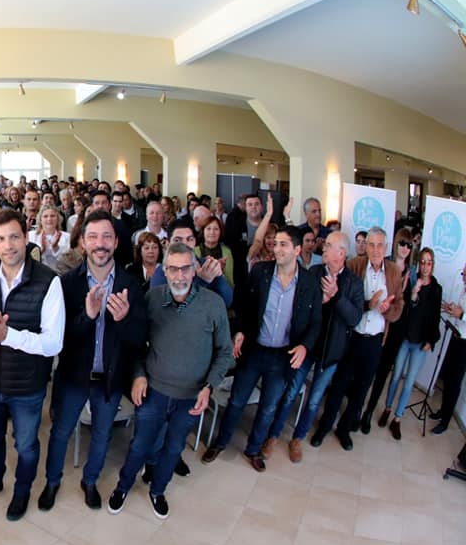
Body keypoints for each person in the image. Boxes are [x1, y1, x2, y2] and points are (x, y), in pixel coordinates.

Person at [106, 242, 233, 519]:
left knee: (174, 447)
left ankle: (158, 490)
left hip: (191, 396)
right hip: (154, 391)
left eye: (185, 268)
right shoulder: (152, 299)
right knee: (140, 444)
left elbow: (225, 352)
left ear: (195, 270)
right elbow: (136, 344)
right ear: (164, 270)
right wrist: (138, 375)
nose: (179, 276)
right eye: (172, 269)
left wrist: (210, 386)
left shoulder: (213, 304)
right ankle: (123, 486)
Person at [39, 211, 144, 512]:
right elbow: (59, 339)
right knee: (60, 431)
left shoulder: (131, 284)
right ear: (83, 242)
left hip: (110, 377)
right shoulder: (67, 284)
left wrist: (122, 320)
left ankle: (90, 481)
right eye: (93, 237)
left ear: (116, 242)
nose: (100, 244)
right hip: (73, 376)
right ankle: (52, 481)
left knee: (102, 434)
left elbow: (138, 338)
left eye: (107, 237)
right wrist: (88, 316)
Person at [0, 209, 66, 521]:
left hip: (27, 384)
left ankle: (22, 489)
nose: (8, 245)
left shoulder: (49, 282)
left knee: (25, 444)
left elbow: (53, 343)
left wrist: (7, 335)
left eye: (14, 237)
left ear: (26, 238)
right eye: (0, 239)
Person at [201, 226, 322, 472]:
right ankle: (221, 442)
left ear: (297, 250)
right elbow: (244, 305)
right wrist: (241, 331)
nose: (276, 248)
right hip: (255, 350)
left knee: (268, 407)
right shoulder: (261, 271)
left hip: (282, 355)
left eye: (283, 244)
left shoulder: (310, 282)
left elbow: (316, 322)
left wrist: (305, 346)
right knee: (236, 401)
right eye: (275, 243)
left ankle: (253, 449)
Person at [261, 231, 363, 462]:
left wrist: (336, 297)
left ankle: (297, 438)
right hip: (307, 346)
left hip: (332, 353)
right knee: (290, 393)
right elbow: (300, 306)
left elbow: (355, 318)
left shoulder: (353, 283)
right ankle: (274, 435)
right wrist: (321, 301)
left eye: (328, 245)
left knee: (315, 399)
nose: (322, 248)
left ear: (342, 253)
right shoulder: (314, 273)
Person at [312, 227, 404, 450]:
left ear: (387, 247)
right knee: (339, 386)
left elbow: (398, 307)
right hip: (351, 337)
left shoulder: (393, 271)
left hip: (375, 341)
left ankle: (344, 430)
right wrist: (368, 305)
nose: (375, 249)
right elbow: (345, 302)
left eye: (379, 245)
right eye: (371, 244)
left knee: (362, 389)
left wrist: (386, 310)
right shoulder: (354, 265)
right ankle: (324, 427)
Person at [380, 247, 441, 440]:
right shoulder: (412, 279)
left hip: (421, 342)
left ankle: (397, 419)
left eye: (429, 262)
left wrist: (431, 340)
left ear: (433, 265)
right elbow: (407, 307)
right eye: (422, 261)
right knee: (396, 375)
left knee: (409, 383)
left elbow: (435, 317)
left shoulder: (437, 289)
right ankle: (387, 408)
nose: (425, 266)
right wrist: (414, 293)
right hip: (405, 337)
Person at [361, 227, 417, 432]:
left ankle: (368, 413)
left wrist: (410, 293)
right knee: (368, 372)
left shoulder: (414, 273)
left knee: (383, 374)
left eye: (409, 245)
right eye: (402, 243)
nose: (405, 248)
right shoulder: (386, 266)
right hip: (377, 326)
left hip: (397, 330)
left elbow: (409, 307)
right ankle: (357, 409)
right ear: (394, 244)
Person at [151, 218, 232, 308]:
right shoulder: (162, 271)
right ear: (168, 244)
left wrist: (219, 275)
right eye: (177, 240)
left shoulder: (206, 264)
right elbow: (166, 309)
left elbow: (226, 302)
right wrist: (203, 281)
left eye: (189, 239)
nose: (184, 244)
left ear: (195, 242)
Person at [433, 262, 466, 434]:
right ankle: (442, 411)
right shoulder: (464, 289)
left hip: (464, 344)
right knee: (446, 377)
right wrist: (451, 308)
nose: (464, 278)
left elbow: (463, 313)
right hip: (455, 336)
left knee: (454, 382)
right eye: (463, 274)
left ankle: (445, 420)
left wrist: (461, 314)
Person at [196, 216, 234, 288]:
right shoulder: (194, 251)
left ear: (220, 232)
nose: (212, 232)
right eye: (208, 228)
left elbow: (230, 283)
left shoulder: (227, 252)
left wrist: (221, 272)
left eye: (216, 229)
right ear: (203, 231)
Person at [29, 206, 69, 272]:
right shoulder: (31, 236)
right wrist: (41, 251)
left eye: (52, 216)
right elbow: (27, 260)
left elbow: (67, 262)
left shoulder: (67, 237)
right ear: (40, 219)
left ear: (58, 219)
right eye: (45, 216)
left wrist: (55, 248)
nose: (49, 219)